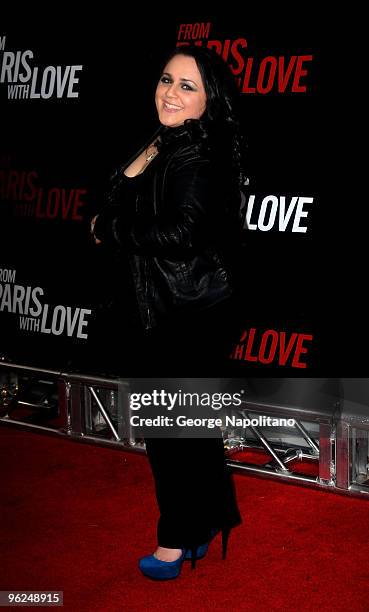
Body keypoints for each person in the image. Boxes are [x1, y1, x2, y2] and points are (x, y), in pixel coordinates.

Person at [90, 45, 246, 580]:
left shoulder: (198, 154)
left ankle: (176, 539)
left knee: (170, 434)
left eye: (186, 86)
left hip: (187, 313)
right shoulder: (164, 141)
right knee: (184, 430)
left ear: (209, 100)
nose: (170, 93)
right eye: (165, 80)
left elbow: (181, 235)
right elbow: (124, 193)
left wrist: (108, 229)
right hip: (157, 307)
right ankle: (206, 524)